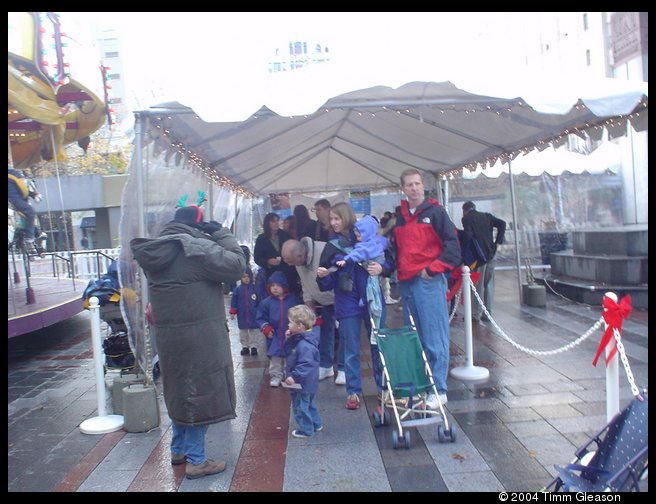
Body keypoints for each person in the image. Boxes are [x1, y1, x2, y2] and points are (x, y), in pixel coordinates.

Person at [130, 205, 246, 480]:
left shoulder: (156, 250)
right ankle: (197, 461)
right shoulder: (195, 249)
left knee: (180, 388)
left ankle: (178, 450)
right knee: (198, 392)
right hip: (200, 335)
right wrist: (221, 233)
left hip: (170, 335)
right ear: (198, 224)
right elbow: (237, 265)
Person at [393, 169, 461, 409]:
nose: (414, 188)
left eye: (417, 184)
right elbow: (397, 249)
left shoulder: (436, 212)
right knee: (416, 337)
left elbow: (453, 247)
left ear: (423, 186)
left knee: (435, 337)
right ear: (403, 188)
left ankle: (439, 389)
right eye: (409, 184)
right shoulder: (400, 217)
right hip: (407, 282)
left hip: (428, 281)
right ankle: (423, 386)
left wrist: (432, 270)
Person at [317, 202, 388, 410]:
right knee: (351, 348)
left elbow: (390, 264)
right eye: (331, 219)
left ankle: (383, 388)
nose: (333, 223)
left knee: (378, 345)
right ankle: (353, 391)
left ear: (347, 218)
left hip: (372, 299)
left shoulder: (369, 238)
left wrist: (382, 268)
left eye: (337, 218)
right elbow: (325, 283)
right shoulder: (332, 246)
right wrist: (323, 276)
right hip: (347, 300)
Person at [281, 237, 344, 385]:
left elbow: (340, 274)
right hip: (323, 301)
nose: (289, 265)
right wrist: (309, 303)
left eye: (290, 261)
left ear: (300, 255)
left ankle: (343, 368)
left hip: (340, 298)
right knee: (326, 333)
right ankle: (326, 366)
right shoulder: (299, 262)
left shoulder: (324, 251)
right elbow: (305, 282)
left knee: (345, 335)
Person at [461, 201, 506, 322]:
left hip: (479, 258)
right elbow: (502, 224)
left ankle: (475, 314)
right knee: (489, 284)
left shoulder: (466, 219)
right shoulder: (487, 216)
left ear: (464, 210)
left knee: (478, 286)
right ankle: (488, 313)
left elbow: (468, 236)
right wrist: (498, 242)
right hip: (491, 254)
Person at [283, 304, 323, 439]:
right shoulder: (306, 339)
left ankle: (306, 430)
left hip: (302, 383)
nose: (288, 325)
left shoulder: (304, 345)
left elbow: (305, 364)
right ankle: (317, 424)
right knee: (309, 403)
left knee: (300, 407)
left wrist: (294, 377)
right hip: (309, 382)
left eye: (290, 323)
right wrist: (290, 337)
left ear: (299, 326)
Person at [255, 271, 302, 387]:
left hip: (290, 334)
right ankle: (276, 375)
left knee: (289, 356)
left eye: (278, 285)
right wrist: (266, 328)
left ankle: (289, 375)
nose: (275, 288)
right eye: (272, 286)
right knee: (275, 358)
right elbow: (260, 317)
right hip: (274, 335)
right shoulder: (266, 303)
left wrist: (298, 327)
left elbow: (300, 314)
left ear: (284, 286)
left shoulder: (294, 300)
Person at [254, 212, 300, 297]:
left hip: (288, 272)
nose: (276, 223)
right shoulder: (261, 239)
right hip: (272, 274)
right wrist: (268, 261)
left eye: (277, 221)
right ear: (268, 223)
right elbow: (257, 258)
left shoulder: (285, 235)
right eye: (273, 221)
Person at [8, 167, 42, 250]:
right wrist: (30, 195)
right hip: (16, 200)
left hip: (11, 200)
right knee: (31, 212)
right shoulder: (14, 174)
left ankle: (20, 238)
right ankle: (29, 237)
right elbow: (24, 189)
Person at [229, 267, 261, 356]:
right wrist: (232, 312)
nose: (246, 279)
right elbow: (234, 301)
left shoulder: (255, 289)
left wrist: (260, 312)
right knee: (243, 332)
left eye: (248, 277)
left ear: (251, 277)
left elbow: (259, 301)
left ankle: (254, 346)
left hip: (253, 314)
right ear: (241, 278)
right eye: (244, 277)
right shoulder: (238, 290)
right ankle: (245, 346)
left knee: (254, 331)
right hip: (242, 314)